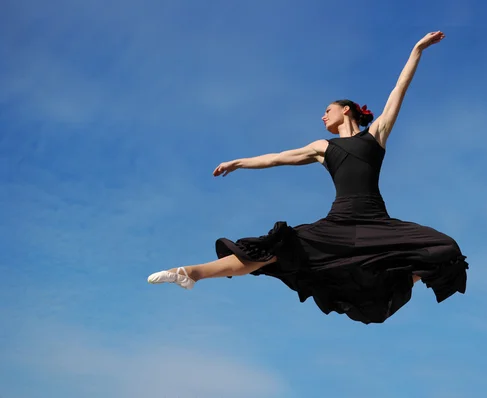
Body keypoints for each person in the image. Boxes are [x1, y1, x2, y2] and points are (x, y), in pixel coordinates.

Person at [148, 31, 468, 324]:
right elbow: (276, 158)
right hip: (339, 222)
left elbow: (399, 89)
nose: (322, 115)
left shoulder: (376, 135)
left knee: (445, 249)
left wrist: (417, 50)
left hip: (376, 221)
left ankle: (393, 277)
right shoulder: (322, 147)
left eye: (328, 109)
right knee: (275, 249)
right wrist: (239, 162)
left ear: (347, 110)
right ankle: (190, 272)